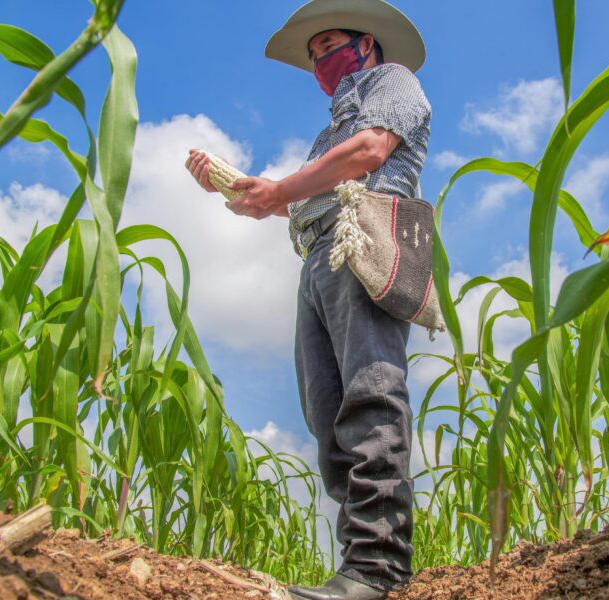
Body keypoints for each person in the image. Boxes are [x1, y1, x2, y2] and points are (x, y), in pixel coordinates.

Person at [185, 2, 430, 599]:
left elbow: (369, 150)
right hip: (319, 253)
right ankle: (357, 565)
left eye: (330, 44)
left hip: (364, 239)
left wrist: (278, 192)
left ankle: (379, 568)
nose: (320, 58)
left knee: (370, 391)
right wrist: (246, 190)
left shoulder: (393, 81)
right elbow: (304, 196)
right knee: (327, 411)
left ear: (366, 43)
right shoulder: (327, 135)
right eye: (313, 52)